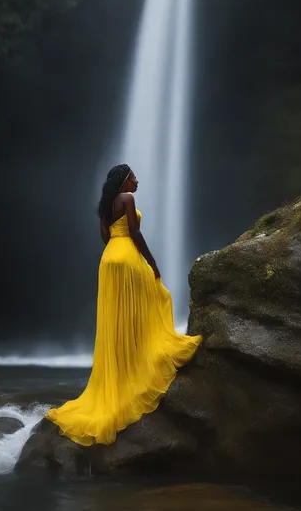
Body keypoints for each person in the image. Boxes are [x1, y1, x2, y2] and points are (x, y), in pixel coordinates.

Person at [45, 164, 202, 445]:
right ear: (124, 180)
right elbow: (135, 233)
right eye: (133, 176)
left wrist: (117, 247)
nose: (137, 180)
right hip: (129, 257)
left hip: (109, 261)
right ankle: (141, 362)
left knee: (116, 317)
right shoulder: (128, 199)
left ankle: (120, 371)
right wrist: (152, 262)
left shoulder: (105, 206)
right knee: (153, 300)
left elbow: (106, 236)